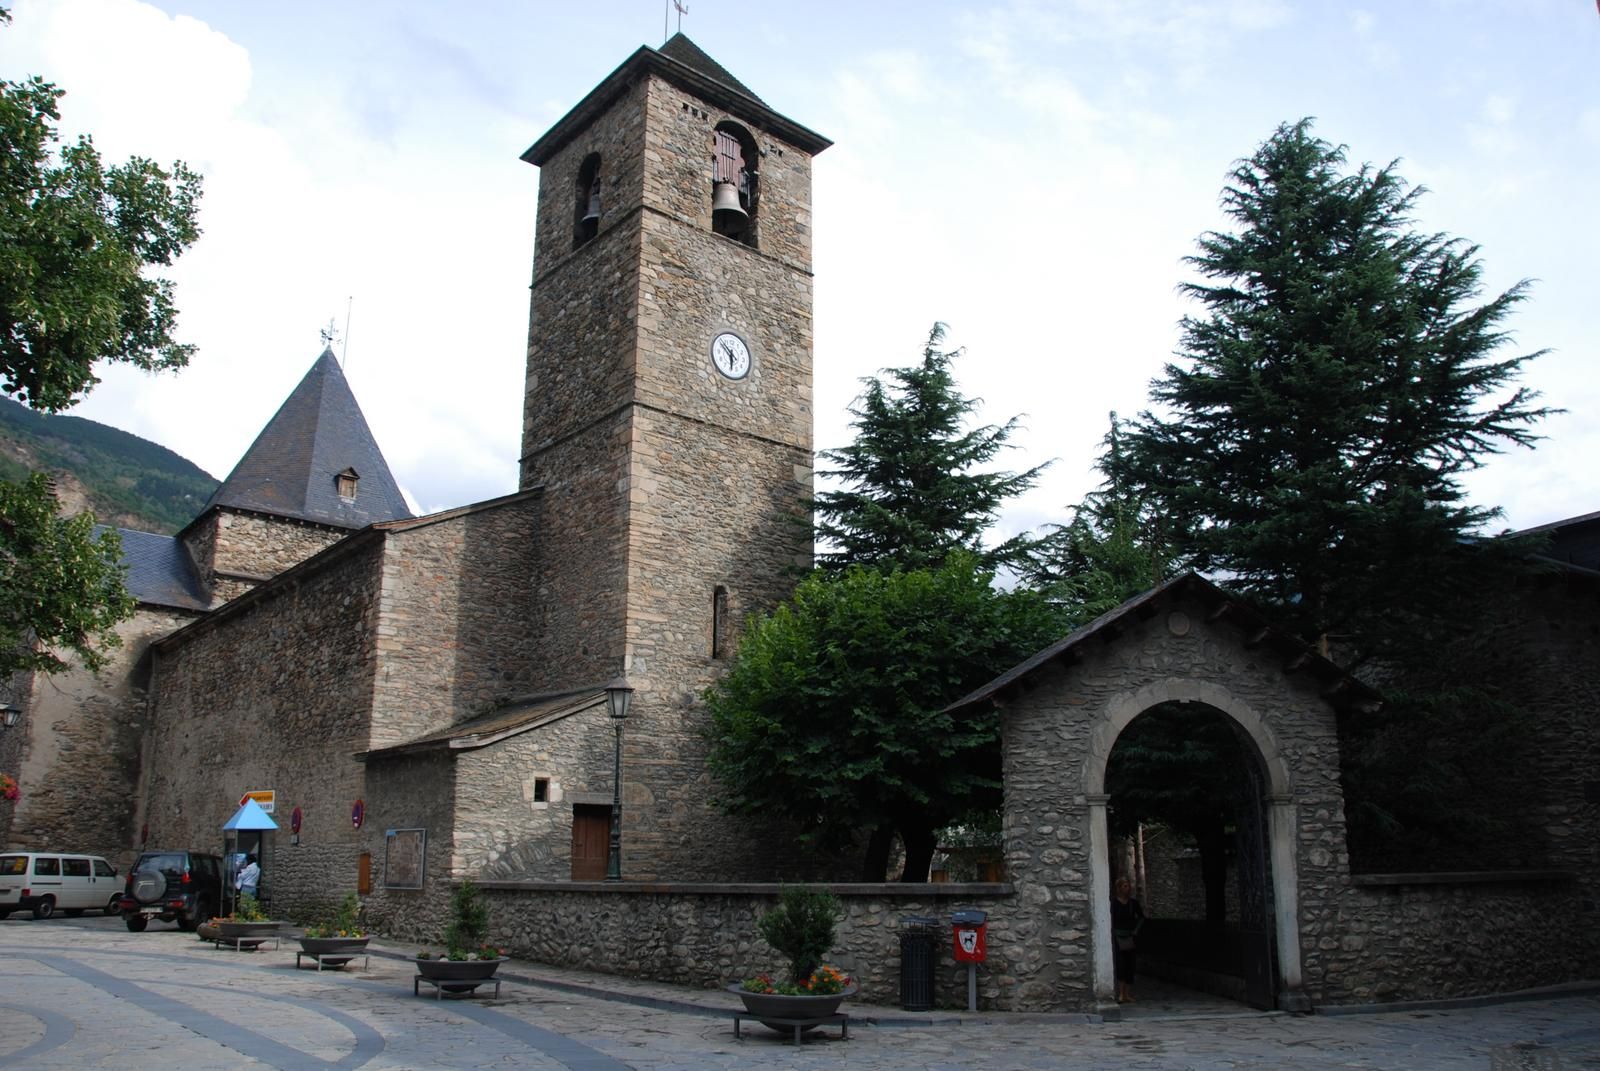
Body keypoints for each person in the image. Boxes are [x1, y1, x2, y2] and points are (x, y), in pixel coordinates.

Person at [1111, 875, 1145, 1004]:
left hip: (1130, 937)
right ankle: (1121, 993)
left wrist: (1135, 931)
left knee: (1130, 965)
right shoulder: (1114, 904)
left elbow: (1141, 917)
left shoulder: (1133, 903)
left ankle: (1127, 993)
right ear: (1119, 888)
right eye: (1124, 886)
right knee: (1121, 965)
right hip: (1118, 937)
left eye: (1128, 886)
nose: (1127, 888)